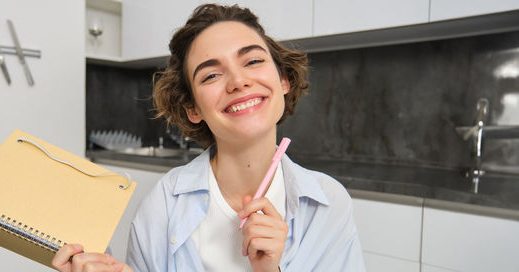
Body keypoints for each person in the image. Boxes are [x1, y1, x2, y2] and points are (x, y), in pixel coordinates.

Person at [52, 3, 365, 272]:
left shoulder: (328, 206)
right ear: (193, 109)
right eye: (211, 75)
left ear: (283, 80)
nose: (239, 81)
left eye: (253, 61)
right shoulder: (161, 207)